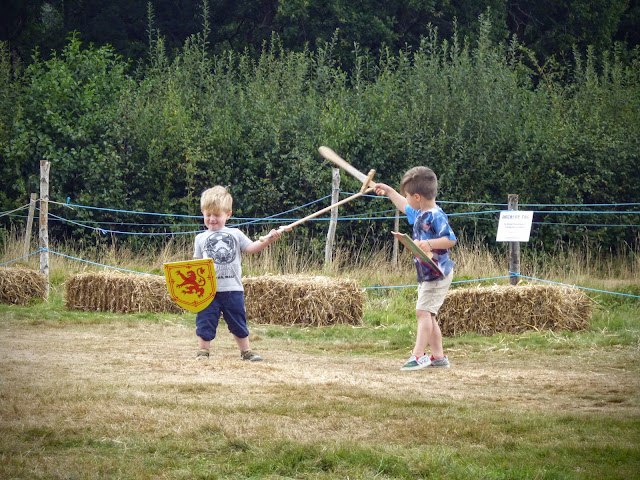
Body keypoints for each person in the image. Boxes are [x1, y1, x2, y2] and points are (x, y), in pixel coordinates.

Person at [374, 166, 457, 370]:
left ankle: (418, 355)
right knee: (428, 314)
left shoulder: (436, 215)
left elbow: (450, 239)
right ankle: (438, 357)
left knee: (422, 312)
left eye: (408, 195)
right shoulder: (420, 213)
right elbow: (405, 206)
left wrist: (429, 244)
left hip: (437, 272)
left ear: (418, 196)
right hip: (427, 272)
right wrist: (389, 191)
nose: (406, 199)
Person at [193, 185, 283, 361]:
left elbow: (251, 248)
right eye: (208, 214)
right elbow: (196, 264)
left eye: (217, 215)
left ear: (228, 214)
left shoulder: (235, 234)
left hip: (232, 289)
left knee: (238, 321)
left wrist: (269, 239)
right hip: (208, 291)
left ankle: (246, 351)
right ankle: (203, 351)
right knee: (205, 321)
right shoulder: (200, 238)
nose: (212, 219)